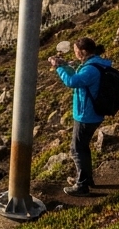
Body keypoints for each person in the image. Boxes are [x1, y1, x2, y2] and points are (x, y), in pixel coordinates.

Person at [48, 37, 112, 196]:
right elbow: (79, 77)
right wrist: (64, 65)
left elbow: (72, 81)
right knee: (82, 147)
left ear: (83, 52)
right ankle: (86, 178)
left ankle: (82, 186)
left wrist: (58, 67)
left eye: (76, 51)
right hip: (93, 113)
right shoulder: (97, 63)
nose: (75, 54)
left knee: (76, 149)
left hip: (86, 115)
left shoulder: (90, 69)